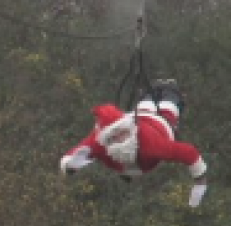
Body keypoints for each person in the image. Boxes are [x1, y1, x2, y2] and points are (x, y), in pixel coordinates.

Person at [59, 81, 209, 206]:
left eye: (122, 133)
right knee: (165, 105)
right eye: (114, 137)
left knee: (164, 105)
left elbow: (188, 152)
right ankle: (167, 91)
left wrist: (200, 183)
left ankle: (167, 89)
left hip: (155, 123)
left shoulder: (150, 145)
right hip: (149, 120)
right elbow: (75, 153)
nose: (120, 138)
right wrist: (69, 166)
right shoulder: (98, 143)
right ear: (105, 138)